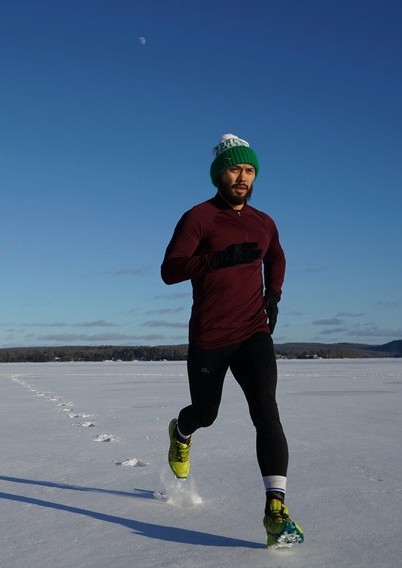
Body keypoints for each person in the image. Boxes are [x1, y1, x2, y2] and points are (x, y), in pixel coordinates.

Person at [160, 133, 303, 548]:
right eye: (236, 169)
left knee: (267, 413)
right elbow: (170, 270)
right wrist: (217, 259)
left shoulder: (264, 222)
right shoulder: (199, 218)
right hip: (210, 336)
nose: (243, 177)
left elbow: (276, 255)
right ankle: (181, 432)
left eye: (250, 170)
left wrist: (273, 294)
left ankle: (275, 510)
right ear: (219, 174)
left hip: (253, 332)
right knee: (206, 413)